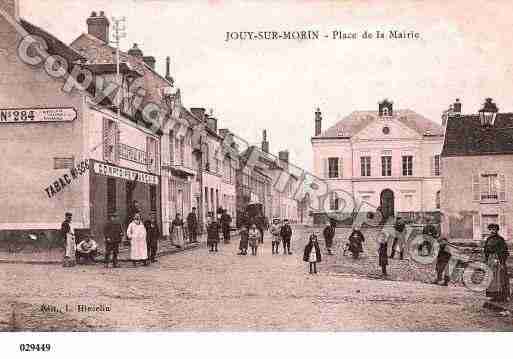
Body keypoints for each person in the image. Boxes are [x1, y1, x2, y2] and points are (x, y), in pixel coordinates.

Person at [484, 224, 510, 302]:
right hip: (490, 261)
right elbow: (486, 250)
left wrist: (501, 261)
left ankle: (501, 296)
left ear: (497, 230)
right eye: (491, 229)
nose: (492, 231)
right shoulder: (488, 239)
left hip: (498, 261)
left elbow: (504, 251)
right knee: (491, 278)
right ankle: (493, 295)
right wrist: (487, 259)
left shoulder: (500, 239)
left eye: (494, 229)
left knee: (499, 278)